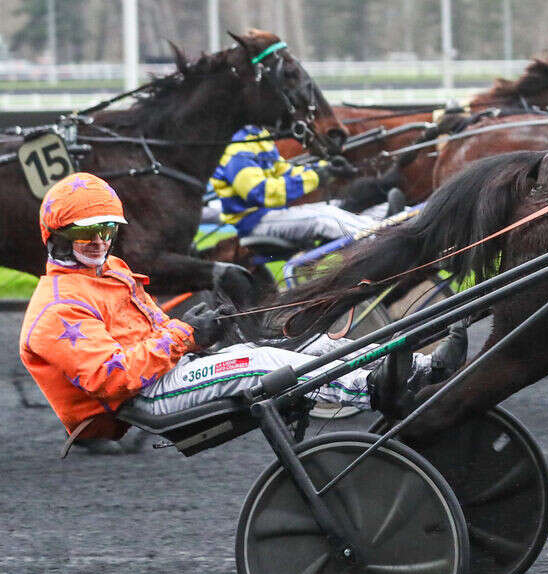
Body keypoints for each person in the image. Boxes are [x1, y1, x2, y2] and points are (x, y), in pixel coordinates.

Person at [19, 173, 466, 455]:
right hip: (142, 399)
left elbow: (155, 333)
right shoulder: (58, 309)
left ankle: (422, 370)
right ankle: (375, 388)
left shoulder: (110, 270)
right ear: (57, 237)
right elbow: (113, 377)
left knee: (307, 347)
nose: (98, 242)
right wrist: (184, 335)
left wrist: (201, 330)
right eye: (84, 234)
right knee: (262, 364)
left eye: (106, 230)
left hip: (170, 372)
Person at [209, 125, 378, 245]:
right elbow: (261, 192)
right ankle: (379, 240)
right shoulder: (236, 146)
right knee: (325, 218)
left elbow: (284, 171)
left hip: (273, 214)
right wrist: (317, 177)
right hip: (254, 221)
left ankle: (380, 227)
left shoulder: (256, 134)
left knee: (334, 208)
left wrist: (326, 169)